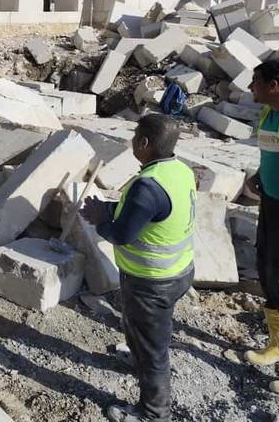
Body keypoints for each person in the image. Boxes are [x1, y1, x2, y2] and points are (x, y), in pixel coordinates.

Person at [81, 114, 196, 422]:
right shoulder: (179, 170)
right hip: (179, 271)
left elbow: (122, 234)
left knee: (153, 348)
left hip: (152, 282)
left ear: (144, 143)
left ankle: (154, 413)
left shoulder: (148, 185)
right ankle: (137, 355)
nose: (131, 141)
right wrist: (108, 209)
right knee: (139, 326)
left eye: (134, 137)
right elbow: (153, 215)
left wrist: (99, 219)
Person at [243, 59, 279, 394]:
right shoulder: (269, 112)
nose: (251, 87)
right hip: (273, 204)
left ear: (274, 85)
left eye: (256, 81)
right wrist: (262, 177)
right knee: (268, 273)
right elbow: (274, 151)